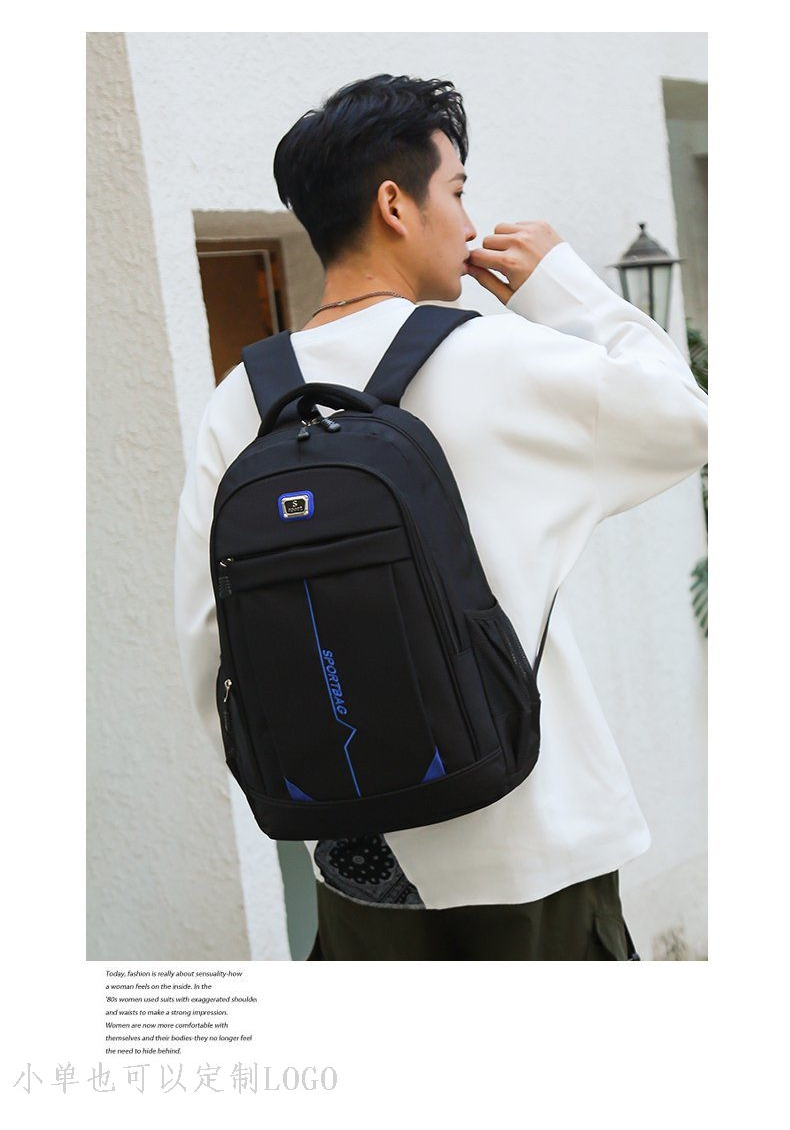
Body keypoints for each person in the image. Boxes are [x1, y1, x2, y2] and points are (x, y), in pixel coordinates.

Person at [174, 74, 708, 960]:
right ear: (395, 204)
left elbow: (208, 646)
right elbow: (689, 420)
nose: (468, 223)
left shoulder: (240, 398)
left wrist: (339, 804)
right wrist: (560, 285)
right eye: (456, 191)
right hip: (529, 856)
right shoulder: (499, 356)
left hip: (357, 879)